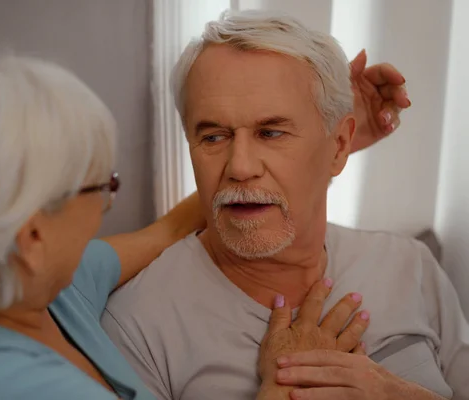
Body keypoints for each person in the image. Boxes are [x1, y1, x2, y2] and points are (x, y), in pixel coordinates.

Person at [0, 51, 404, 399]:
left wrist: (318, 148)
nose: (107, 204)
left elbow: (167, 229)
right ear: (32, 236)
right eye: (102, 187)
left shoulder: (41, 286)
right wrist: (282, 384)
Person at [101, 10, 469, 400]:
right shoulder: (137, 327)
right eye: (213, 137)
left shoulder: (410, 267)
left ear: (340, 145)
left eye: (271, 132)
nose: (240, 167)